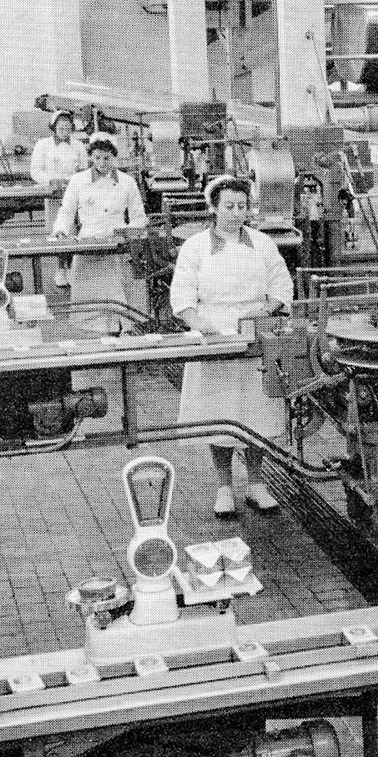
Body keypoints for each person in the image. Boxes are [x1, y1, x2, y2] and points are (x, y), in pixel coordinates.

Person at [169, 175, 293, 518]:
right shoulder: (195, 246)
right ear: (214, 208)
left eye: (242, 206)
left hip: (255, 335)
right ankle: (224, 487)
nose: (237, 214)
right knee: (219, 413)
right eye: (229, 207)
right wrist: (203, 326)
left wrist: (264, 311)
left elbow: (282, 287)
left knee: (258, 413)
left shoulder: (263, 243)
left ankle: (256, 483)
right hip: (215, 337)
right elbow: (181, 299)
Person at [49, 134, 144, 334]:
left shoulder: (127, 182)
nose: (102, 163)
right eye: (98, 157)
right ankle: (96, 341)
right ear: (91, 157)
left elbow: (138, 217)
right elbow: (67, 211)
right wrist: (60, 230)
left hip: (116, 246)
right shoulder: (78, 181)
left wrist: (128, 233)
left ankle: (121, 334)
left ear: (114, 158)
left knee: (118, 302)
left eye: (107, 158)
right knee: (89, 307)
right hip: (87, 245)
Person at [28, 110, 86, 291]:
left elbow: (84, 169)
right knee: (59, 231)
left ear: (72, 128)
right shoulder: (42, 145)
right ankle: (60, 268)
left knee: (76, 231)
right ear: (53, 128)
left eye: (68, 128)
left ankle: (73, 269)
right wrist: (52, 181)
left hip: (75, 194)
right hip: (53, 195)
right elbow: (35, 171)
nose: (64, 131)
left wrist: (74, 181)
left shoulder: (78, 146)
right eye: (60, 127)